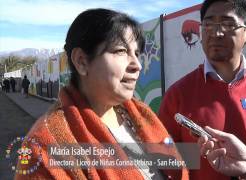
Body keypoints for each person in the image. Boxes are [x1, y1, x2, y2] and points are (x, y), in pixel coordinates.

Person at [15, 8, 188, 180]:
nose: (137, 65)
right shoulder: (45, 147)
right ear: (81, 61)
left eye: (136, 53)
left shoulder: (142, 114)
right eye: (121, 51)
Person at [158, 0, 246, 179]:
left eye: (228, 24)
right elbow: (163, 159)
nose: (216, 33)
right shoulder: (178, 94)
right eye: (208, 24)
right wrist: (196, 154)